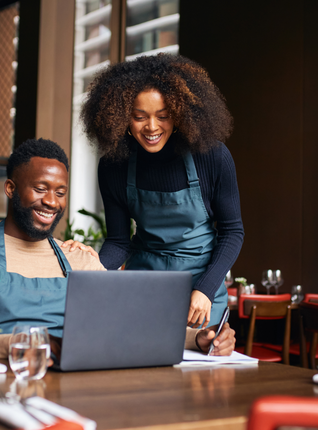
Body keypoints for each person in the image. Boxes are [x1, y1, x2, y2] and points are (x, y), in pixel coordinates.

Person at [0, 138, 235, 358]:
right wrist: (28, 345)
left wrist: (199, 339)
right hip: (0, 384)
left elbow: (130, 326)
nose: (52, 202)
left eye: (60, 192)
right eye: (40, 189)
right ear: (11, 188)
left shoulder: (78, 258)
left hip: (76, 386)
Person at [71, 54, 244, 329]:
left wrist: (206, 289)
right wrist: (92, 267)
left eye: (163, 116)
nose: (151, 127)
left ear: (179, 115)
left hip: (200, 294)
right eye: (139, 117)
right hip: (143, 287)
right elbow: (119, 241)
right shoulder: (114, 166)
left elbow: (233, 231)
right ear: (122, 117)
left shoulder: (211, 156)